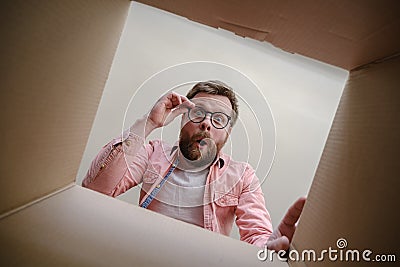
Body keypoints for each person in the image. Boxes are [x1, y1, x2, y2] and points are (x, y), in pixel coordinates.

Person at [82, 80, 306, 251]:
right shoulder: (153, 153)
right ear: (181, 117)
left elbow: (256, 236)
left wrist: (267, 247)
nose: (207, 123)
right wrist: (149, 123)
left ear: (227, 133)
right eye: (198, 113)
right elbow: (95, 189)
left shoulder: (241, 176)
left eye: (218, 119)